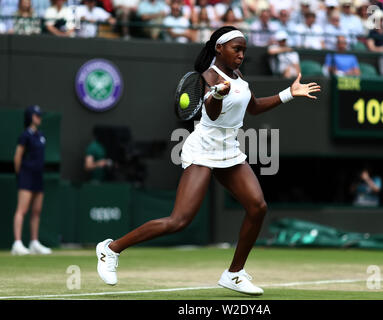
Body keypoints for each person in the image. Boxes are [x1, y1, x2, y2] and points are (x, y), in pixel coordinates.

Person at [95, 26, 321, 295]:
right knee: (179, 221)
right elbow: (212, 115)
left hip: (230, 151)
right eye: (236, 49)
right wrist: (217, 95)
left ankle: (234, 274)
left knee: (257, 207)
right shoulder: (208, 77)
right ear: (219, 48)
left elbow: (255, 107)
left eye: (244, 50)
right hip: (202, 151)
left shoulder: (236, 74)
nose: (241, 55)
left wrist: (288, 93)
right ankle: (110, 249)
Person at [11, 105, 52, 255]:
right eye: (36, 115)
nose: (39, 118)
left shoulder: (41, 135)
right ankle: (17, 243)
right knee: (22, 210)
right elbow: (18, 157)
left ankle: (34, 243)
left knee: (36, 211)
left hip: (38, 176)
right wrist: (21, 175)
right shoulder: (25, 136)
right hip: (26, 175)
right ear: (30, 117)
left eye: (40, 115)